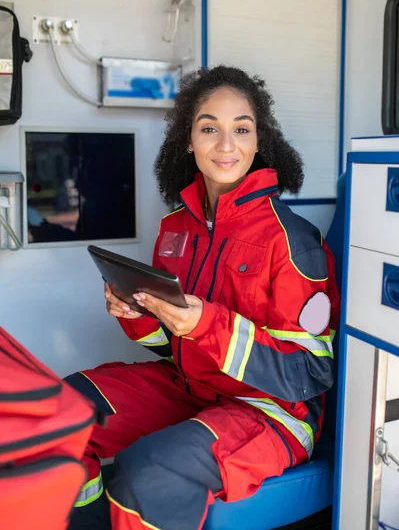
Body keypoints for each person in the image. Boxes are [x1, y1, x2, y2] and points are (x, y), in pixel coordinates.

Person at [66, 66, 340, 530]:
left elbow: (309, 374)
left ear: (259, 143)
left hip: (271, 411)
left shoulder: (294, 240)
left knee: (148, 472)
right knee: (60, 414)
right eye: (210, 128)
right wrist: (136, 313)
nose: (226, 144)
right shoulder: (175, 228)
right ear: (189, 141)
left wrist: (206, 325)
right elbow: (166, 344)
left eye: (241, 130)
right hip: (190, 387)